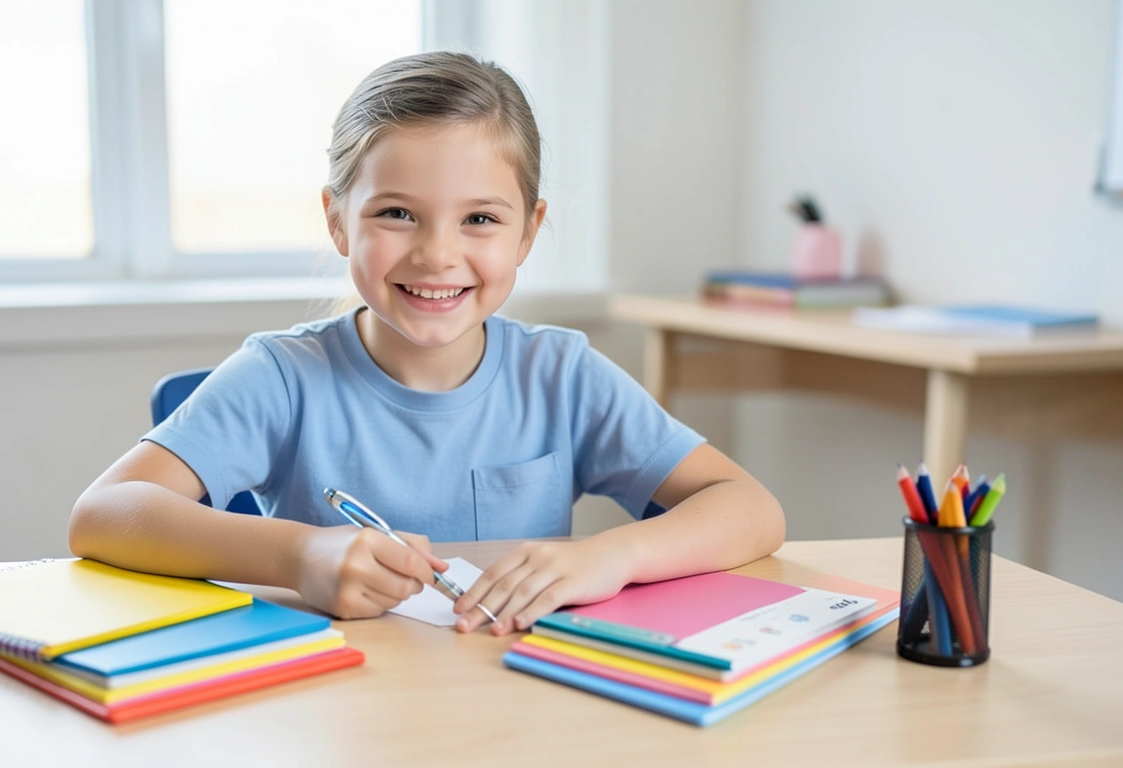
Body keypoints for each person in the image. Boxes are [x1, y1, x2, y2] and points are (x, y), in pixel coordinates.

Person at [68, 51, 784, 635]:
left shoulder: (560, 374)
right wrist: (301, 553)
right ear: (338, 220)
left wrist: (613, 556)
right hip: (330, 706)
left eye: (479, 219)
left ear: (528, 232)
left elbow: (752, 509)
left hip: (517, 706)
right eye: (398, 213)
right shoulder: (282, 376)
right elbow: (102, 515)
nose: (438, 255)